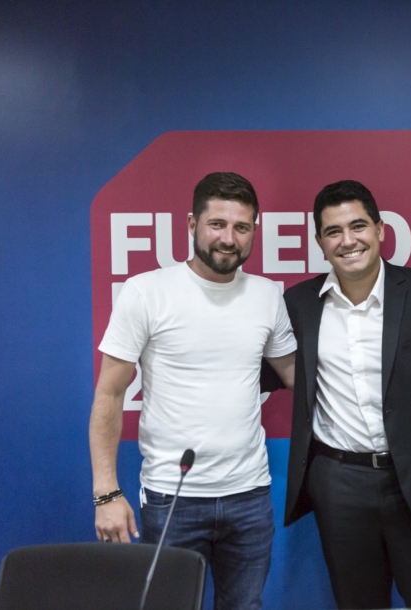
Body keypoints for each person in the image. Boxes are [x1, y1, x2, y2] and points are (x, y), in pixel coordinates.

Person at [279, 179, 411, 609]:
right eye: (333, 231)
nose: (348, 240)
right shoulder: (298, 304)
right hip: (339, 485)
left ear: (380, 230)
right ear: (320, 243)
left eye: (358, 226)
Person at [89, 172, 297, 610]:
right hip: (172, 498)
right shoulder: (146, 292)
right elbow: (109, 395)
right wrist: (106, 493)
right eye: (217, 224)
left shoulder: (266, 295)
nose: (229, 238)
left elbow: (296, 372)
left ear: (254, 231)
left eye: (241, 227)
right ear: (191, 224)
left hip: (250, 496)